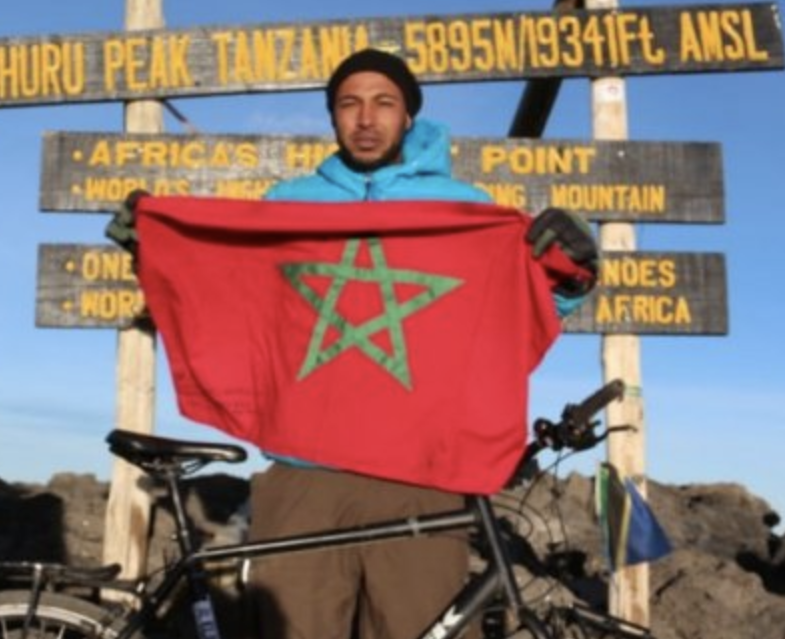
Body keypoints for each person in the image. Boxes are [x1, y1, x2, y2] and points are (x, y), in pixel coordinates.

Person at [106, 48, 597, 639]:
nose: (366, 118)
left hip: (424, 476)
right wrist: (158, 250)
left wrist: (571, 271)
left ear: (409, 116)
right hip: (304, 476)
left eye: (384, 102)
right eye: (349, 103)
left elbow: (523, 311)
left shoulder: (467, 210)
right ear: (333, 116)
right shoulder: (288, 204)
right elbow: (229, 292)